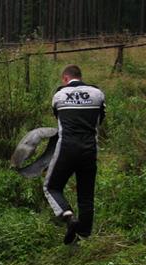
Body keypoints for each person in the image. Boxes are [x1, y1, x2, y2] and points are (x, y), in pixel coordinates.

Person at [43, 64, 106, 245]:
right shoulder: (97, 93)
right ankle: (84, 233)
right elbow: (100, 119)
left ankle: (68, 215)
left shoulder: (58, 95)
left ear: (65, 78)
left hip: (67, 148)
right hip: (89, 149)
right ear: (80, 76)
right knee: (86, 194)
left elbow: (59, 118)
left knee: (51, 187)